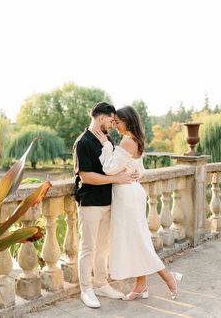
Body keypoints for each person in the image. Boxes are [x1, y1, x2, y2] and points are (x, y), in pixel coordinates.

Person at [93, 105, 183, 301]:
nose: (115, 125)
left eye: (118, 122)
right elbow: (140, 170)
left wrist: (106, 145)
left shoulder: (126, 142)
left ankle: (169, 277)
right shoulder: (137, 140)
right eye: (114, 122)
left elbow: (108, 169)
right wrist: (131, 172)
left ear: (127, 121)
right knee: (134, 240)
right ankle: (141, 285)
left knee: (138, 240)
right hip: (131, 192)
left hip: (127, 195)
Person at [73, 102, 137, 308]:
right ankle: (86, 289)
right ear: (101, 118)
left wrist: (130, 172)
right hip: (90, 203)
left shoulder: (107, 139)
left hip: (109, 202)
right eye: (111, 120)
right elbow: (86, 177)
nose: (112, 124)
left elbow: (115, 166)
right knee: (88, 247)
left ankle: (101, 284)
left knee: (103, 247)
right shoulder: (82, 143)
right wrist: (117, 179)